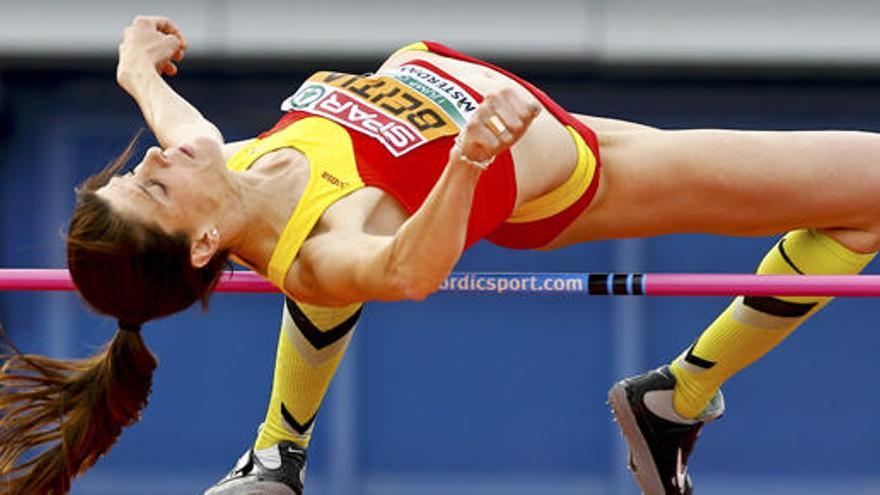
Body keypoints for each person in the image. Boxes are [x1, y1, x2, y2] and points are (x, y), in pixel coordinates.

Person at [0, 14, 878, 495]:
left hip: (538, 112)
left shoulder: (220, 169)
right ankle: (674, 399)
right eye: (149, 186)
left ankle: (275, 455)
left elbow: (172, 128)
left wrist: (136, 68)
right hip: (587, 173)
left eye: (135, 168)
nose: (152, 157)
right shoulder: (321, 248)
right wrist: (465, 163)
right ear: (198, 242)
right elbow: (404, 273)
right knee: (871, 190)